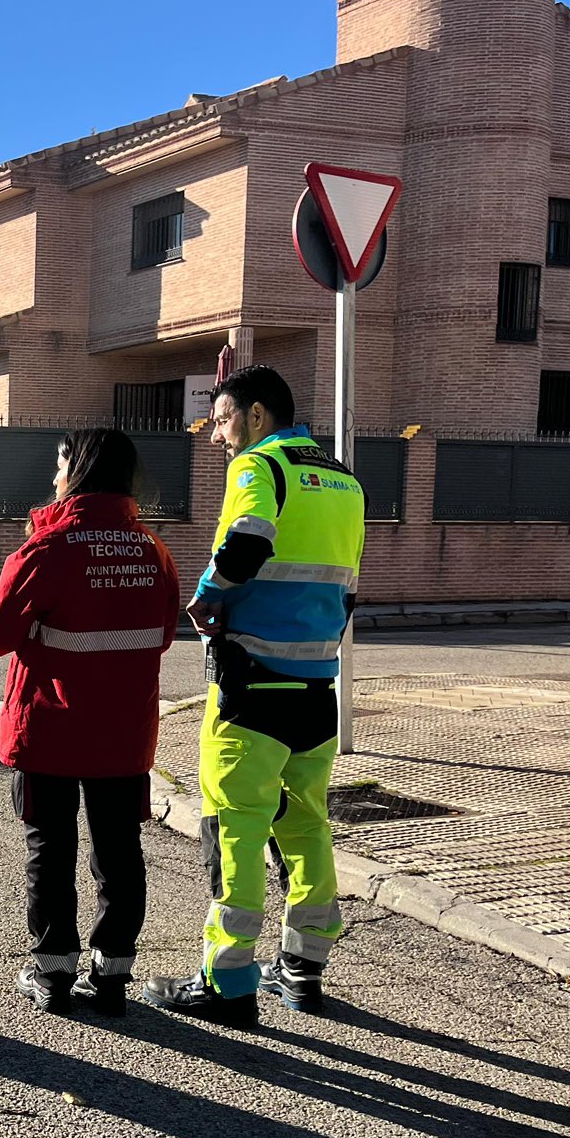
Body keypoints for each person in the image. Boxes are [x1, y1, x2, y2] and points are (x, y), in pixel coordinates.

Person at [145, 364, 367, 1024]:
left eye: (222, 420)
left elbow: (247, 538)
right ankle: (301, 970)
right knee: (305, 823)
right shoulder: (344, 480)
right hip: (314, 685)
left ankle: (228, 982)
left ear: (258, 416)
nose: (218, 436)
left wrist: (207, 602)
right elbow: (348, 586)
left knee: (234, 826)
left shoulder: (258, 469)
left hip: (252, 684)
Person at [0, 429, 180, 1015]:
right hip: (123, 732)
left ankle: (52, 973)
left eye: (59, 466)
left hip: (51, 728)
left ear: (81, 470)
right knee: (119, 852)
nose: (54, 478)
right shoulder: (154, 551)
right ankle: (112, 976)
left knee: (50, 847)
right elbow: (162, 635)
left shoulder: (49, 548)